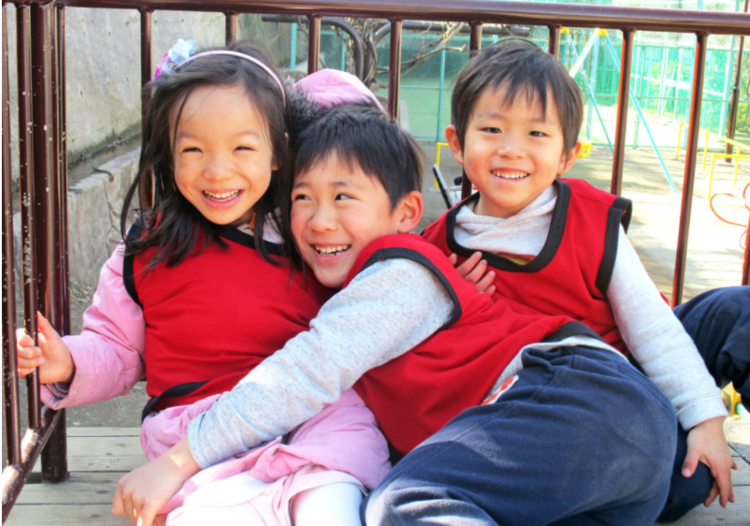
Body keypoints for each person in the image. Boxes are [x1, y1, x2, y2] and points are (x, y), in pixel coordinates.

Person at [116, 98, 732, 526]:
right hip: (599, 468)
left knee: (406, 506)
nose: (318, 219)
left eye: (343, 198)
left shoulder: (397, 273)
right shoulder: (354, 281)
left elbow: (307, 369)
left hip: (575, 398)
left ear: (407, 214)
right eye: (301, 198)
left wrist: (178, 460)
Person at [15, 42, 390, 526]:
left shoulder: (307, 232)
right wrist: (65, 361)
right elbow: (117, 349)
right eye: (193, 149)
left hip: (311, 424)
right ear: (169, 154)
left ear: (279, 151)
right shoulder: (147, 249)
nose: (217, 170)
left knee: (331, 506)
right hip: (191, 438)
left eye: (242, 147)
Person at [421, 37, 747, 522]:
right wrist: (449, 305)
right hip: (571, 416)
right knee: (684, 478)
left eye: (536, 134)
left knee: (737, 312)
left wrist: (705, 418)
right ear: (456, 141)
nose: (511, 149)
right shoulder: (436, 251)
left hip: (637, 367)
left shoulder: (588, 219)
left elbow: (653, 328)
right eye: (491, 129)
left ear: (567, 155)